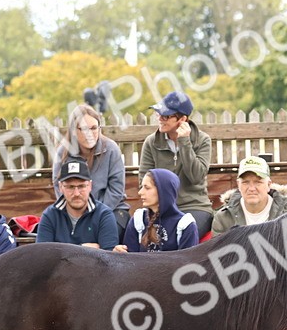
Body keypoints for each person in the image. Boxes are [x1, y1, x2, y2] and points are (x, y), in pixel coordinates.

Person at [139, 91, 213, 237]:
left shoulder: (203, 140)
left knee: (182, 234)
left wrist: (185, 142)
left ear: (182, 119)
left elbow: (196, 177)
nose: (160, 119)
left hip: (195, 206)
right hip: (160, 207)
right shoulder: (151, 142)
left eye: (165, 116)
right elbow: (143, 180)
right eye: (158, 114)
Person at [53, 104, 130, 235]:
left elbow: (116, 190)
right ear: (73, 131)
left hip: (111, 210)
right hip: (74, 213)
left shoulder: (111, 149)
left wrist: (94, 215)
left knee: (104, 235)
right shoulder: (63, 152)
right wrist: (77, 215)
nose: (90, 134)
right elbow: (59, 187)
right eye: (83, 129)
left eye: (94, 128)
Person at [36, 158, 119, 249]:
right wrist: (82, 248)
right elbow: (43, 255)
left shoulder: (104, 215)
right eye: (70, 187)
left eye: (81, 186)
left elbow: (109, 257)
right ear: (60, 187)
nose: (76, 193)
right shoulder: (50, 215)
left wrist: (60, 251)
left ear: (90, 186)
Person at [211, 154, 287, 235]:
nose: (252, 188)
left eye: (258, 182)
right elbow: (218, 252)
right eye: (245, 182)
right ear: (238, 185)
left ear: (268, 185)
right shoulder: (223, 218)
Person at [115, 168, 199, 253]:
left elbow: (188, 262)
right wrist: (119, 255)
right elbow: (129, 260)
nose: (140, 192)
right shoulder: (138, 220)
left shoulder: (185, 225)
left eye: (147, 188)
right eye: (141, 187)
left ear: (163, 191)